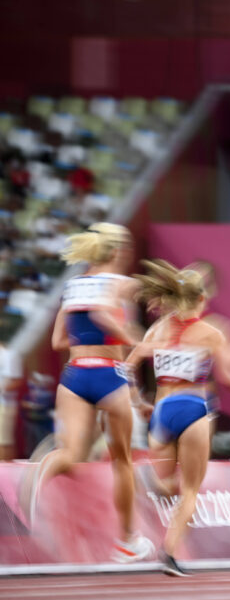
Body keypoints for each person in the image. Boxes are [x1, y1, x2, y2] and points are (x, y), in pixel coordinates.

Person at [35, 222, 151, 562]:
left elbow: (58, 341)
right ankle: (128, 541)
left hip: (74, 377)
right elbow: (127, 305)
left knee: (68, 453)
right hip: (109, 375)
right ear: (116, 251)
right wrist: (132, 335)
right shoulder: (121, 284)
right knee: (123, 462)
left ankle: (27, 495)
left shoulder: (72, 287)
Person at [127, 260, 230, 576]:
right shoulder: (212, 334)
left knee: (167, 484)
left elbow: (128, 365)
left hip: (161, 413)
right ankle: (169, 552)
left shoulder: (157, 329)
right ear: (202, 299)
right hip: (193, 409)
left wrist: (138, 402)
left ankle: (151, 481)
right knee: (189, 491)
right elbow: (227, 376)